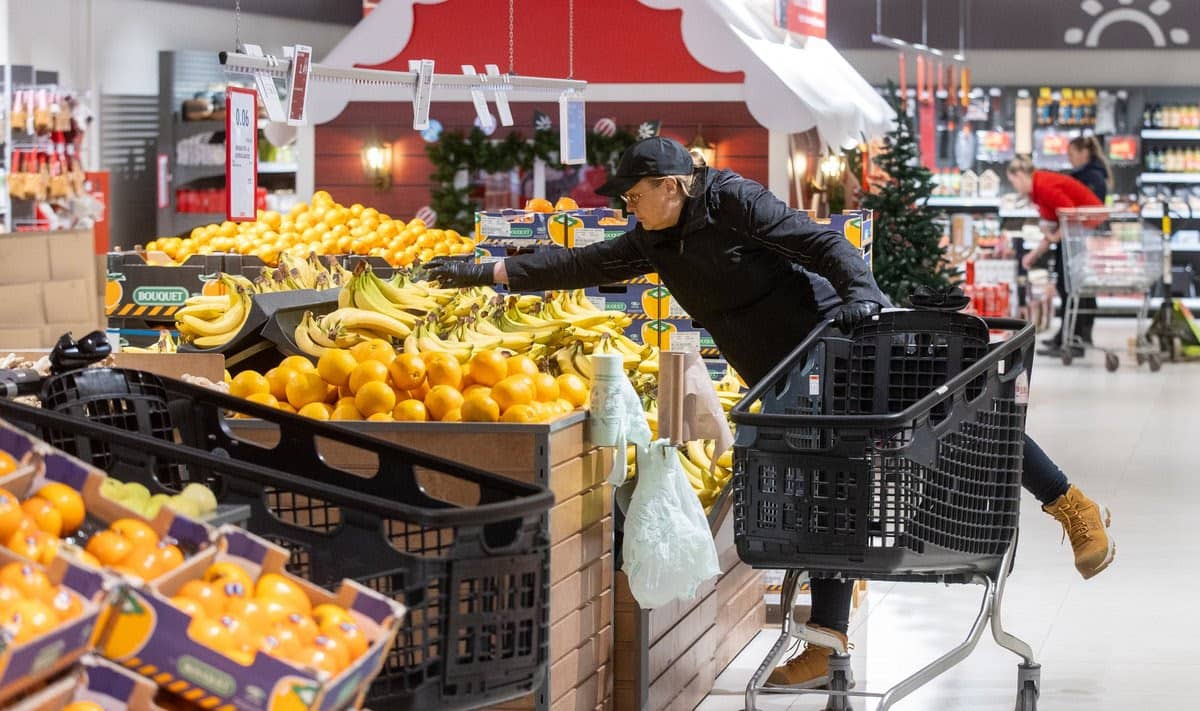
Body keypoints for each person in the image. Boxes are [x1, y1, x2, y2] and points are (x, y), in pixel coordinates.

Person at [427, 137, 1114, 690]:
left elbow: (821, 242)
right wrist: (488, 274)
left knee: (965, 408)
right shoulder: (652, 238)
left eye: (636, 195)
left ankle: (1073, 505)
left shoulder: (732, 200)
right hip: (779, 373)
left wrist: (862, 296)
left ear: (672, 184)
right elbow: (579, 262)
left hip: (835, 340)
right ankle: (829, 640)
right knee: (826, 486)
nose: (630, 209)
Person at [1010, 156, 1103, 357]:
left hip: (1086, 229)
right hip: (1076, 232)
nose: (1014, 186)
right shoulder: (1038, 190)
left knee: (1070, 285)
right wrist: (1033, 255)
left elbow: (1070, 217)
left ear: (1019, 175)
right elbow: (1053, 230)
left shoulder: (1044, 186)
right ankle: (1069, 337)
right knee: (1067, 284)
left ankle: (1073, 339)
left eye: (1013, 181)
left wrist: (1054, 237)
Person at [1067, 135, 1112, 203]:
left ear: (1084, 153)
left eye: (1071, 155)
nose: (1069, 160)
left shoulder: (1092, 178)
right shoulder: (1089, 175)